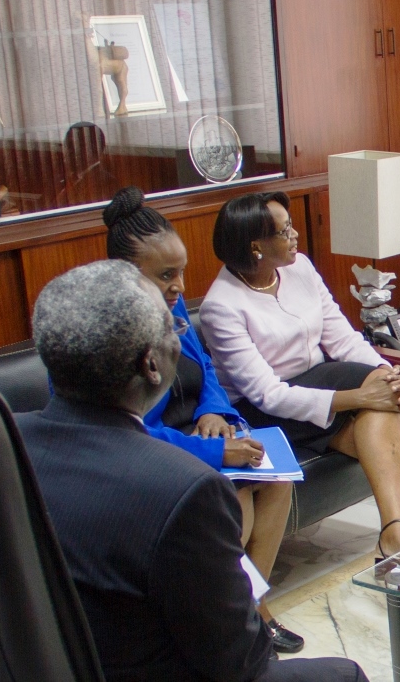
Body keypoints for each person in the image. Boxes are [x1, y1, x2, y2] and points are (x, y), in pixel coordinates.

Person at [15, 260, 367, 682]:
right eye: (176, 330)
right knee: (344, 674)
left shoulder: (0, 446)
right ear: (151, 365)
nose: (181, 339)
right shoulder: (185, 490)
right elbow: (240, 662)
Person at [198, 191, 400, 579]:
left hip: (319, 387)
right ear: (256, 246)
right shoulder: (221, 305)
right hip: (266, 412)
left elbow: (342, 338)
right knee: (378, 410)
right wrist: (360, 395)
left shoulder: (300, 268)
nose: (295, 235)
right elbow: (267, 394)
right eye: (285, 231)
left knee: (383, 429)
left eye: (292, 226)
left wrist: (386, 373)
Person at [102, 186, 302, 654]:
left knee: (277, 479)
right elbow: (128, 433)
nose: (179, 287)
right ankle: (236, 619)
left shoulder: (170, 307)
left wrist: (214, 410)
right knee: (235, 495)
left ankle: (251, 606)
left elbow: (204, 367)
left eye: (182, 271)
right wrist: (213, 451)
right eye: (165, 275)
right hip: (155, 452)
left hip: (194, 429)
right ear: (124, 276)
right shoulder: (110, 335)